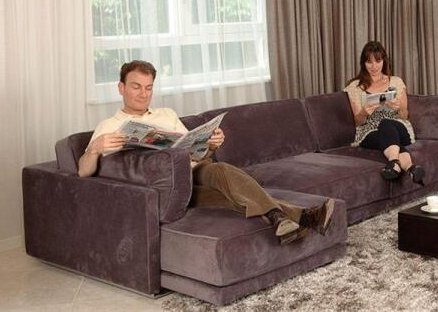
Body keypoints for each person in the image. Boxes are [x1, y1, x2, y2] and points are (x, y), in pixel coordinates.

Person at [78, 60, 334, 245]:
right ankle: (297, 217)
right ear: (121, 88)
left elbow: (192, 151)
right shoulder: (108, 126)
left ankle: (283, 219)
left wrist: (210, 144)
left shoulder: (166, 114)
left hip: (196, 170)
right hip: (172, 191)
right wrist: (95, 149)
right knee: (230, 195)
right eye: (136, 87)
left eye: (148, 87)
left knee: (219, 170)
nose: (143, 94)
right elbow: (83, 171)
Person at [344, 41, 425, 184]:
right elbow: (358, 122)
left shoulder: (396, 82)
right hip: (369, 132)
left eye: (378, 61)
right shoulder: (355, 87)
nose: (374, 66)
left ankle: (394, 164)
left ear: (384, 61)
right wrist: (364, 112)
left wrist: (398, 108)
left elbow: (405, 115)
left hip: (398, 127)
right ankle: (411, 168)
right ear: (363, 63)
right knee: (389, 139)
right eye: (369, 62)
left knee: (386, 124)